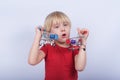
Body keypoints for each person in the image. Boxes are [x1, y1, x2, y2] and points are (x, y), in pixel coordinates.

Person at [28, 11, 89, 80]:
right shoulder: (47, 46)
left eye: (65, 25)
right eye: (57, 27)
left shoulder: (75, 47)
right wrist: (38, 37)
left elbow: (80, 68)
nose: (63, 29)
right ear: (50, 33)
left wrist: (83, 43)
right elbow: (32, 61)